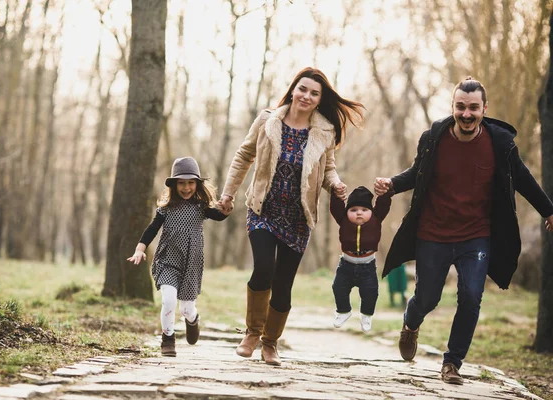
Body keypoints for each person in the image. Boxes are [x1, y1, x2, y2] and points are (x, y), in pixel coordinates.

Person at [375, 76, 553, 385]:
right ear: (453, 107)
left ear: (485, 108)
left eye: (473, 108)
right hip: (433, 233)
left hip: (477, 235)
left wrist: (548, 210)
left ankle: (452, 362)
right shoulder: (433, 138)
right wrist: (391, 184)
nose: (466, 114)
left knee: (471, 296)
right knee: (427, 298)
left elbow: (523, 180)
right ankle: (411, 321)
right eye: (460, 107)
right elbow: (417, 173)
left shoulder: (500, 144)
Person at [217, 67, 365, 366]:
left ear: (319, 99)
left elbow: (328, 168)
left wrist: (335, 184)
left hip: (298, 217)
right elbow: (244, 155)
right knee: (263, 270)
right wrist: (228, 194)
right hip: (263, 209)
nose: (306, 96)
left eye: (314, 93)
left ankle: (270, 343)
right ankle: (252, 333)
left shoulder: (325, 131)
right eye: (303, 89)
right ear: (293, 89)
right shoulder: (267, 120)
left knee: (283, 284)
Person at [127, 157, 228, 357]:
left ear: (197, 184)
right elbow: (151, 229)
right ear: (174, 185)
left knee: (186, 309)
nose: (186, 187)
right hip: (168, 261)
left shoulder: (202, 207)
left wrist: (226, 208)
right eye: (181, 183)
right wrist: (140, 249)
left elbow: (218, 215)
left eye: (191, 183)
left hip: (192, 264)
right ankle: (168, 339)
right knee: (168, 301)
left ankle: (193, 319)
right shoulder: (166, 209)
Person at [329, 186, 392, 332]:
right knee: (338, 288)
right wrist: (336, 194)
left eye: (364, 210)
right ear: (347, 212)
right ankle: (343, 311)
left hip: (368, 266)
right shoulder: (343, 220)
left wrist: (386, 193)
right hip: (346, 265)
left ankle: (366, 315)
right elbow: (336, 207)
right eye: (353, 210)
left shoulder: (376, 220)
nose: (359, 213)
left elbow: (383, 205)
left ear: (371, 212)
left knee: (371, 292)